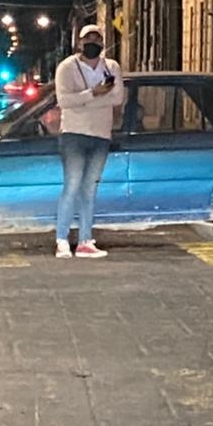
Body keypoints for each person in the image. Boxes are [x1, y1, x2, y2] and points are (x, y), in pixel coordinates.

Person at [53, 25, 123, 259]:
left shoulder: (111, 67)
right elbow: (64, 100)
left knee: (90, 189)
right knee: (72, 186)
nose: (92, 43)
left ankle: (85, 241)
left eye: (97, 39)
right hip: (73, 134)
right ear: (79, 43)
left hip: (101, 135)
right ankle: (62, 240)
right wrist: (94, 94)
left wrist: (84, 101)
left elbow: (118, 97)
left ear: (103, 43)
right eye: (87, 39)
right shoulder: (67, 67)